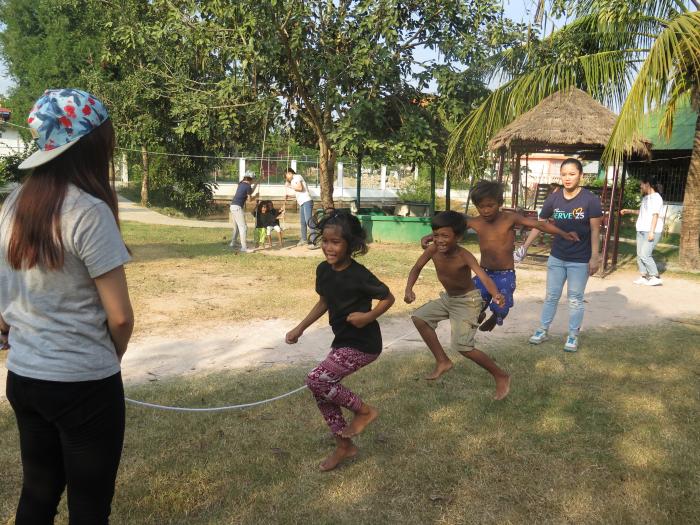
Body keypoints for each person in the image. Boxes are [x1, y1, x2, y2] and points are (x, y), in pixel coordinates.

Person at [0, 89, 134, 524]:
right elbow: (120, 317)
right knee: (89, 506)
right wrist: (110, 355)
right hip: (83, 384)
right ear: (93, 143)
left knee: (37, 494)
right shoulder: (88, 211)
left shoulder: (13, 204)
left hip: (24, 378)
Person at [285, 210, 394, 471]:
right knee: (321, 390)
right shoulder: (323, 270)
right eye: (325, 241)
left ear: (351, 245)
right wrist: (300, 328)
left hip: (364, 344)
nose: (329, 247)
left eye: (336, 242)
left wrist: (368, 316)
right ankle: (345, 446)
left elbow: (388, 298)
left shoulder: (359, 274)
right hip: (343, 341)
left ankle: (365, 411)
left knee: (316, 379)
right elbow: (324, 301)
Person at [421, 181, 579, 332]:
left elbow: (539, 224)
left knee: (502, 305)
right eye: (481, 206)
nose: (486, 210)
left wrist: (563, 233)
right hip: (484, 273)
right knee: (474, 302)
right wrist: (430, 236)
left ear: (500, 202)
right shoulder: (475, 222)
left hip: (505, 274)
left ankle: (496, 316)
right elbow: (450, 230)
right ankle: (480, 314)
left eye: (490, 205)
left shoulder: (509, 218)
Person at [406, 210, 511, 400]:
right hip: (449, 299)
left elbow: (482, 275)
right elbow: (416, 267)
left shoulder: (464, 255)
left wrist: (496, 294)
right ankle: (442, 361)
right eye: (436, 235)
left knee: (463, 347)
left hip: (468, 301)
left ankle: (500, 375)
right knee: (419, 318)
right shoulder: (433, 250)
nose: (439, 240)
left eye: (445, 236)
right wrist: (409, 289)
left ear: (458, 237)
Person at [520, 158, 603, 352]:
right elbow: (540, 224)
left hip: (580, 259)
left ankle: (573, 335)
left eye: (572, 174)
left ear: (581, 175)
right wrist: (525, 247)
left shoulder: (590, 200)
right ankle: (542, 330)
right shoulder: (554, 198)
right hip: (557, 257)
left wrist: (595, 256)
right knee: (551, 296)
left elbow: (595, 231)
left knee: (575, 298)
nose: (567, 178)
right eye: (564, 174)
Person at [621, 176, 665, 286]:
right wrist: (628, 211)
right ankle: (644, 277)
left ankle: (655, 276)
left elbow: (655, 215)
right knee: (640, 255)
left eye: (642, 184)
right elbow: (642, 212)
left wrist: (651, 232)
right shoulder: (646, 198)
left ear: (648, 184)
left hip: (651, 231)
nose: (640, 186)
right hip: (641, 229)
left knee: (645, 254)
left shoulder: (656, 198)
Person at [284, 167, 315, 248]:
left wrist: (290, 186)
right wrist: (289, 195)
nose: (286, 178)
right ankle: (304, 239)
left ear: (289, 173)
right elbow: (298, 193)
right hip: (302, 202)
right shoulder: (294, 180)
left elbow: (300, 188)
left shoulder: (297, 177)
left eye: (286, 175)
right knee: (303, 222)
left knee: (309, 221)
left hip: (307, 201)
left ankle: (314, 241)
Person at [229, 172, 257, 253]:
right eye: (253, 179)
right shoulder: (247, 186)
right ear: (250, 179)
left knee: (237, 227)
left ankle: (233, 243)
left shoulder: (241, 184)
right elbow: (250, 200)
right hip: (237, 208)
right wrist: (256, 197)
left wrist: (257, 183)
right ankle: (244, 248)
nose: (253, 181)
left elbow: (250, 192)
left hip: (233, 206)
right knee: (243, 227)